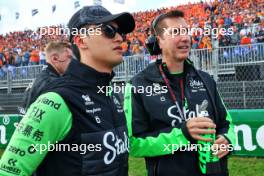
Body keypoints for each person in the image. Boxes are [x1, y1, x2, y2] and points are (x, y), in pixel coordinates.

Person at [0, 5, 135, 176]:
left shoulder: (110, 94)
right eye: (108, 30)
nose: (119, 38)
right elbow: (8, 171)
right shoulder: (57, 100)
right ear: (81, 41)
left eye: (121, 33)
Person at [124, 10, 235, 176]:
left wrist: (227, 140)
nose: (185, 38)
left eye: (186, 31)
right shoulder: (138, 85)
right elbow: (133, 144)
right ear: (159, 41)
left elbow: (227, 124)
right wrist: (182, 134)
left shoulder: (206, 79)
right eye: (175, 32)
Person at [22, 41, 73, 111]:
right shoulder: (52, 82)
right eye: (69, 57)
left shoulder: (42, 77)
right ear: (55, 58)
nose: (72, 62)